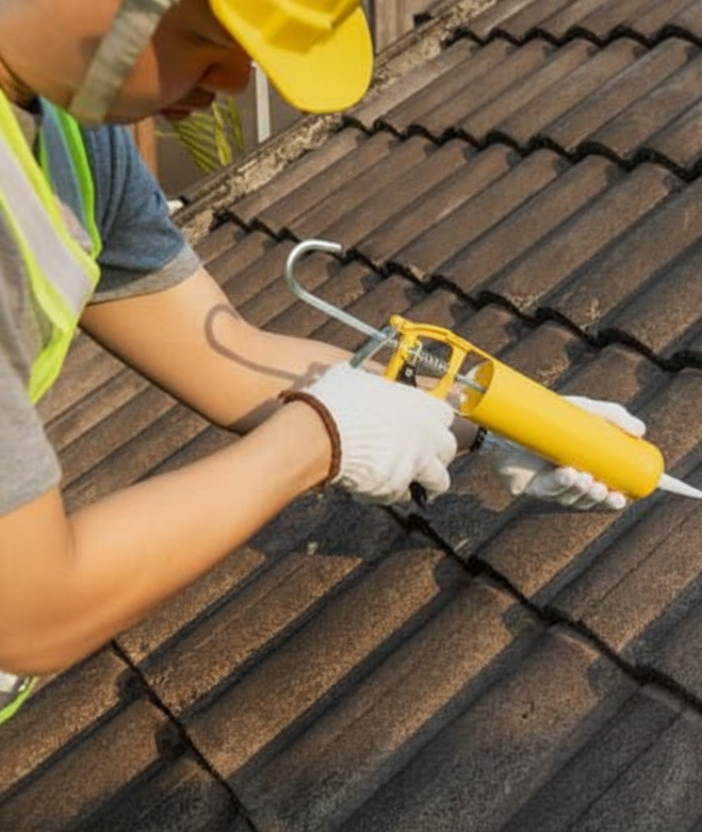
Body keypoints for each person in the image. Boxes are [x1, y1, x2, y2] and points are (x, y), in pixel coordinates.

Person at [0, 0, 644, 724]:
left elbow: (233, 355)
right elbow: (29, 615)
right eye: (207, 39)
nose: (233, 82)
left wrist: (485, 423)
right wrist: (318, 441)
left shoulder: (76, 139)